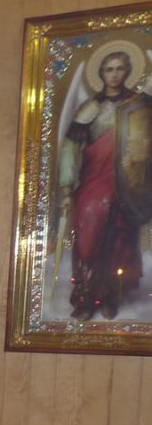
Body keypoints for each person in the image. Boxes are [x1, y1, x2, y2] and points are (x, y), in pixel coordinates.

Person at [58, 47, 152, 321]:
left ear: (128, 72)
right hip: (94, 181)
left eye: (119, 68)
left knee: (119, 239)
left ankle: (112, 294)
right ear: (100, 73)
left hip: (125, 186)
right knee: (89, 234)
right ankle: (87, 297)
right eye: (109, 69)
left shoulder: (139, 106)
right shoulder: (90, 108)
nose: (114, 74)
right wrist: (67, 188)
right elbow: (70, 149)